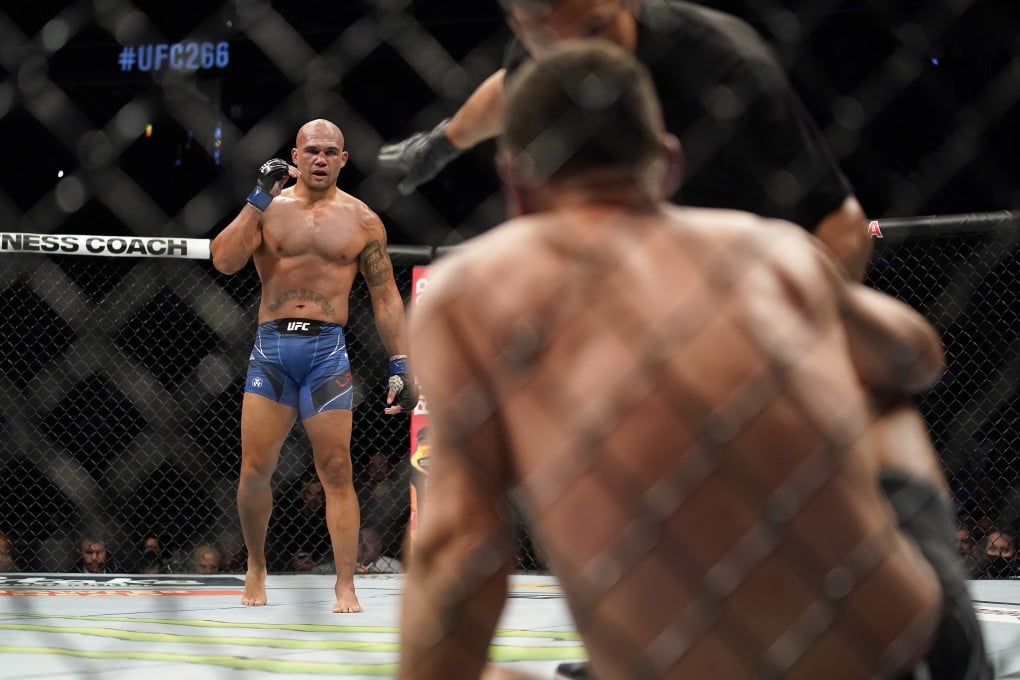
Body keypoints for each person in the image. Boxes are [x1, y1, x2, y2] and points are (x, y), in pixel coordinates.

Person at [397, 40, 989, 679]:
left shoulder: (474, 288)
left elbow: (460, 550)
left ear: (515, 180)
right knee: (884, 393)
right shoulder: (768, 251)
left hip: (671, 663)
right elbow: (917, 355)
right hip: (890, 656)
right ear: (670, 161)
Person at [377, 0, 872, 281]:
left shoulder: (726, 67)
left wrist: (805, 335)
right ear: (520, 27)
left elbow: (841, 226)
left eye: (596, 27)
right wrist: (442, 144)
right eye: (550, 43)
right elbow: (509, 90)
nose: (579, 55)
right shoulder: (544, 57)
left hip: (746, 273)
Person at [210, 118, 419, 613]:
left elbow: (385, 294)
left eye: (330, 151)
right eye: (312, 150)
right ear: (295, 156)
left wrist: (401, 363)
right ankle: (256, 565)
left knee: (337, 469)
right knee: (255, 471)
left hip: (327, 353)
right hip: (272, 351)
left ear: (344, 159)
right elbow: (223, 261)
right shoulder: (267, 211)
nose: (321, 158)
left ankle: (345, 583)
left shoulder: (364, 220)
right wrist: (255, 198)